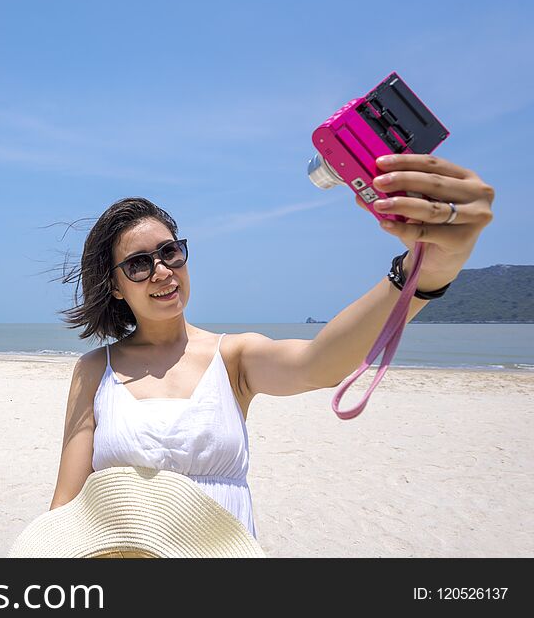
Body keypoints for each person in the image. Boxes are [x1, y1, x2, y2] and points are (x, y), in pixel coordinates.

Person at [48, 153, 495, 539]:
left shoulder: (233, 357)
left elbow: (319, 365)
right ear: (117, 287)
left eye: (170, 253)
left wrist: (423, 273)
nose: (162, 271)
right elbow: (65, 509)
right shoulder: (95, 370)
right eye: (139, 265)